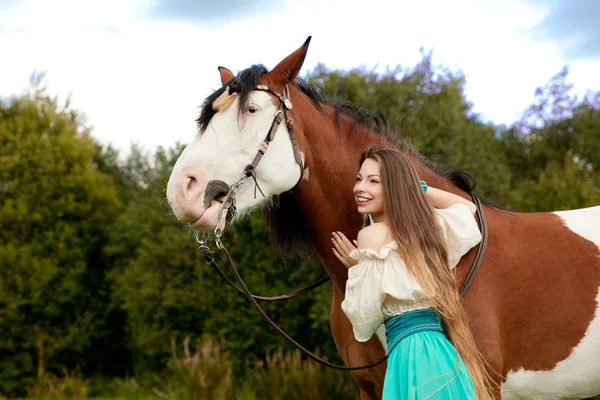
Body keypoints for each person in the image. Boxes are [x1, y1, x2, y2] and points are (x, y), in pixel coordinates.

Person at [331, 147, 494, 400]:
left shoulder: (370, 236)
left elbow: (363, 320)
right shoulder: (427, 231)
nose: (360, 188)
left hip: (411, 356)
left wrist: (357, 270)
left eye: (373, 181)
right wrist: (423, 189)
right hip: (442, 354)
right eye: (359, 179)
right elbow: (466, 208)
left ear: (395, 188)